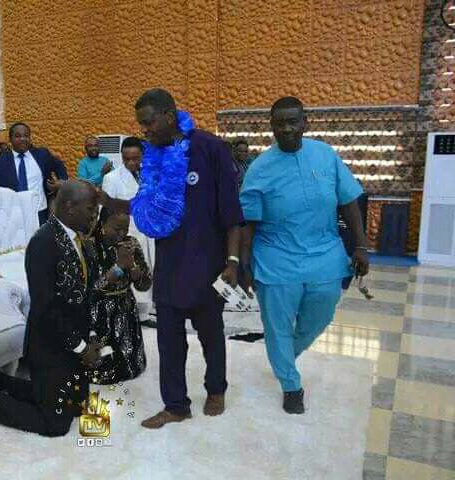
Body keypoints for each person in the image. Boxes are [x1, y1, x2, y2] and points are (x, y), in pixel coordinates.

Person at [100, 88, 242, 429]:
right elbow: (143, 206)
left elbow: (232, 214)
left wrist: (233, 262)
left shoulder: (210, 148)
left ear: (168, 115)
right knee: (168, 339)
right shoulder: (152, 156)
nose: (144, 130)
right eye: (141, 124)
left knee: (211, 334)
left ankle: (216, 389)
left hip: (207, 263)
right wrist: (105, 200)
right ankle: (176, 405)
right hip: (169, 264)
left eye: (148, 122)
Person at [239, 96, 369, 414]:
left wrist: (361, 245)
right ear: (271, 127)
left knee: (321, 315)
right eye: (280, 123)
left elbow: (349, 201)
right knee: (278, 326)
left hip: (325, 254)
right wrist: (243, 264)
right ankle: (290, 384)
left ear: (305, 122)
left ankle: (283, 355)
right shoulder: (259, 169)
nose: (287, 129)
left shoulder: (325, 155)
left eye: (293, 121)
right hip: (275, 258)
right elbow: (248, 223)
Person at [0, 180, 101, 437]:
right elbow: (46, 308)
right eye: (91, 209)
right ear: (70, 207)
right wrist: (81, 348)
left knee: (77, 408)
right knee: (56, 425)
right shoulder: (43, 243)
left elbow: (88, 295)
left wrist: (91, 338)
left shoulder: (79, 239)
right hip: (50, 346)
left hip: (75, 341)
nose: (95, 215)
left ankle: (0, 380)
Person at [87, 208, 150, 384]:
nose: (122, 234)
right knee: (102, 368)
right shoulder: (90, 246)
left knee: (130, 365)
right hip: (99, 311)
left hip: (126, 307)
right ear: (102, 224)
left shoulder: (131, 244)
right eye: (116, 229)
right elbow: (91, 289)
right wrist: (119, 267)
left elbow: (144, 285)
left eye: (125, 229)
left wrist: (133, 267)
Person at [101, 136, 156, 325]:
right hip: (128, 234)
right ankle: (138, 314)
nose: (131, 162)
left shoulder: (150, 175)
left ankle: (147, 310)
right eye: (126, 159)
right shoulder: (111, 178)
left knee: (149, 269)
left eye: (135, 158)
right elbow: (106, 211)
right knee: (133, 271)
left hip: (151, 232)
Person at [0, 122, 68, 224]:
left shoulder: (42, 155)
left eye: (26, 136)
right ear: (10, 139)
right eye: (18, 136)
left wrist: (61, 182)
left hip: (40, 213)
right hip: (13, 216)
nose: (22, 139)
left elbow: (59, 165)